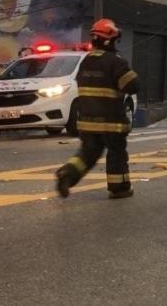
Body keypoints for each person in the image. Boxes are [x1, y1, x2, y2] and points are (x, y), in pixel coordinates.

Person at [55, 18, 140, 200]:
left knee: (87, 154)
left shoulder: (86, 62)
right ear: (109, 40)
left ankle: (68, 174)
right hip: (111, 122)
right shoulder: (115, 62)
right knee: (117, 154)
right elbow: (132, 85)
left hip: (87, 122)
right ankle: (120, 188)